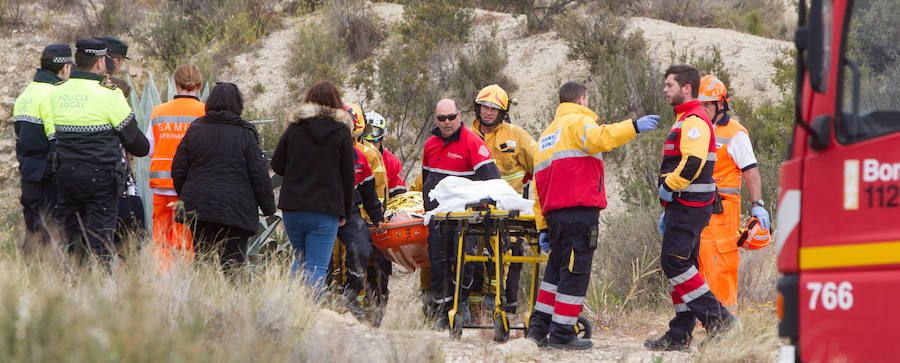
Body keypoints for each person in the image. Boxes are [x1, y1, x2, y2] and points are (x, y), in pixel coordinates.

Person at [526, 81, 659, 350]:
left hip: (554, 218)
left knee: (554, 273)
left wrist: (542, 227)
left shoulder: (546, 136)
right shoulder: (578, 122)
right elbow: (601, 138)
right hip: (579, 213)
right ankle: (562, 335)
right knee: (575, 272)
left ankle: (538, 330)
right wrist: (633, 126)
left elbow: (539, 189)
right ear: (581, 100)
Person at [645, 65, 737, 351]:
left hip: (688, 205)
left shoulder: (694, 120)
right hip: (684, 206)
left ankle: (720, 321)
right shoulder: (686, 118)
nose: (664, 89)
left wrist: (669, 186)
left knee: (675, 262)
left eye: (669, 85)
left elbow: (694, 162)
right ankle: (680, 334)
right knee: (685, 265)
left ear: (687, 88)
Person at [48, 38, 149, 263]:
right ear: (101, 62)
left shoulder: (56, 92)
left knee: (71, 243)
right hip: (100, 180)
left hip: (66, 177)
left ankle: (69, 289)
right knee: (100, 244)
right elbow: (140, 146)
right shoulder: (110, 95)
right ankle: (99, 290)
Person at [171, 82, 275, 273]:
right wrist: (268, 207)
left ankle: (202, 300)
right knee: (231, 267)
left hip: (199, 209)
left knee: (204, 263)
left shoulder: (196, 129)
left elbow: (178, 169)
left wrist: (188, 196)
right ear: (238, 104)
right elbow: (259, 174)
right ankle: (226, 301)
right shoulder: (246, 133)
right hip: (236, 212)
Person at [422, 98, 501, 328]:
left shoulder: (473, 143)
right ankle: (441, 314)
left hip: (466, 219)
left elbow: (492, 179)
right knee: (438, 265)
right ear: (436, 119)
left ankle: (461, 304)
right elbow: (426, 180)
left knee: (464, 263)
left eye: (451, 117)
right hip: (438, 217)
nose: (447, 122)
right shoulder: (431, 144)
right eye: (441, 118)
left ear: (459, 115)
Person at [695, 75, 771, 308]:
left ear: (720, 104)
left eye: (707, 105)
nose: (703, 109)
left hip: (723, 214)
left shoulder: (735, 133)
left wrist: (757, 205)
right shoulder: (696, 129)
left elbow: (751, 172)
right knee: (698, 267)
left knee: (721, 266)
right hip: (696, 211)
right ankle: (702, 323)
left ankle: (724, 324)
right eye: (700, 104)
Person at [271, 81, 356, 290]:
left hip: (293, 209)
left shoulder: (294, 128)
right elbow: (348, 176)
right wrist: (345, 212)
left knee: (299, 261)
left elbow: (276, 165)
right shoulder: (342, 132)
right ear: (337, 103)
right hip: (325, 210)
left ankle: (291, 311)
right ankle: (308, 316)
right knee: (317, 266)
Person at [469, 84, 537, 317]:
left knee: (508, 259)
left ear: (503, 111)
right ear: (477, 108)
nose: (488, 112)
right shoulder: (467, 136)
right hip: (474, 213)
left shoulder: (517, 136)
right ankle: (475, 314)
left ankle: (503, 310)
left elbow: (540, 165)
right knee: (474, 261)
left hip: (510, 214)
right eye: (484, 107)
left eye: (494, 108)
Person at [13, 43, 72, 251]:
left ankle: (28, 281)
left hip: (28, 175)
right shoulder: (53, 95)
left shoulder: (25, 94)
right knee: (51, 239)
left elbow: (19, 138)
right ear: (65, 68)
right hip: (47, 180)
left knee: (32, 235)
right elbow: (57, 142)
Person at [146, 64, 205, 266]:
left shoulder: (159, 111)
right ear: (199, 84)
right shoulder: (205, 112)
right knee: (185, 240)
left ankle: (162, 282)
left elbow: (148, 149)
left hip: (162, 188)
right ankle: (181, 283)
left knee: (161, 240)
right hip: (190, 189)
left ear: (175, 84)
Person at [335, 103, 386, 319]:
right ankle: (319, 302)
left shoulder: (362, 156)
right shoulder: (318, 152)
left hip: (352, 214)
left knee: (362, 248)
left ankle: (350, 294)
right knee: (326, 260)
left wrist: (377, 218)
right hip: (323, 213)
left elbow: (371, 191)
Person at [362, 110, 403, 325]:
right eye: (366, 140)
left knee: (381, 272)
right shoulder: (354, 156)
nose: (371, 146)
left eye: (375, 141)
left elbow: (399, 198)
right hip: (358, 223)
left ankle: (377, 316)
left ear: (381, 139)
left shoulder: (392, 162)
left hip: (382, 227)